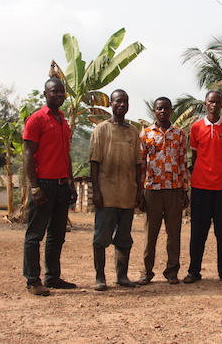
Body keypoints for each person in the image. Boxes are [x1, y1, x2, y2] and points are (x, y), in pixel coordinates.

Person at [22, 77, 78, 296]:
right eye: (54, 92)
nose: (59, 95)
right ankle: (32, 280)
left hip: (62, 185)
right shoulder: (36, 119)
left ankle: (52, 276)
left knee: (57, 234)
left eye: (62, 92)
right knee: (35, 235)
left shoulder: (63, 120)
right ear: (45, 94)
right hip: (43, 185)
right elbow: (27, 155)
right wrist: (34, 187)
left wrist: (71, 183)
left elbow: (66, 155)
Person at [89, 89, 142, 291]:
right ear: (110, 104)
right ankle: (100, 277)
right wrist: (96, 191)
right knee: (101, 237)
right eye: (118, 101)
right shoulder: (101, 130)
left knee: (124, 238)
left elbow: (138, 164)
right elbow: (94, 162)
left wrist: (138, 190)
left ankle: (122, 276)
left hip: (127, 193)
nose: (122, 105)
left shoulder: (133, 132)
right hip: (107, 192)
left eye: (125, 101)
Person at [183, 90, 222, 284]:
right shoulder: (196, 128)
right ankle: (193, 271)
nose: (214, 105)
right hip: (200, 186)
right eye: (210, 101)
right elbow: (195, 157)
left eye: (218, 102)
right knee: (198, 230)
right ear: (205, 104)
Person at [137, 97, 189, 285]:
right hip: (152, 189)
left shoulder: (180, 134)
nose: (163, 111)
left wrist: (185, 190)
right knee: (150, 233)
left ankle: (172, 271)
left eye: (166, 108)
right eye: (159, 108)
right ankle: (146, 271)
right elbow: (141, 164)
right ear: (154, 110)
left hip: (174, 189)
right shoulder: (145, 135)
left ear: (171, 110)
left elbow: (183, 162)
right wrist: (140, 192)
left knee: (174, 234)